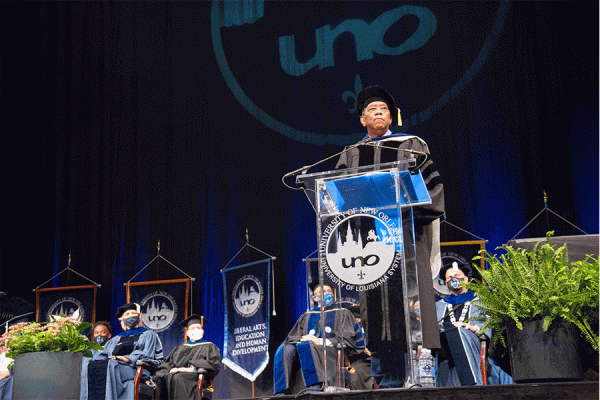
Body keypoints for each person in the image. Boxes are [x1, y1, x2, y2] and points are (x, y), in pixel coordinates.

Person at [336, 85, 444, 387]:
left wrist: (407, 213)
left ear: (392, 116)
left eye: (384, 108)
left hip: (407, 239)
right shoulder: (350, 155)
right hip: (369, 247)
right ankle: (385, 378)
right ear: (362, 120)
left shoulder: (412, 146)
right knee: (376, 310)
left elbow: (432, 190)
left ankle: (421, 376)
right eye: (372, 109)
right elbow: (337, 203)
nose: (379, 112)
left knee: (413, 305)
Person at [273, 282, 366, 395]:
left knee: (307, 345)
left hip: (331, 350)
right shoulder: (306, 316)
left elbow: (350, 338)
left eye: (329, 291)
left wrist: (320, 341)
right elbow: (292, 337)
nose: (327, 294)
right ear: (315, 297)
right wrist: (305, 338)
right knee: (284, 349)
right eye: (323, 292)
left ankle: (314, 387)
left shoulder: (343, 313)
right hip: (307, 348)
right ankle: (281, 391)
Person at [435, 262, 513, 386]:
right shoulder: (438, 306)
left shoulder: (481, 301)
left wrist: (474, 328)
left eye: (456, 275)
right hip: (447, 361)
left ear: (465, 278)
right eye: (449, 278)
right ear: (445, 283)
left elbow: (492, 327)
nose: (453, 279)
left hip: (474, 357)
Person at [86, 303, 164, 400]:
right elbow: (103, 353)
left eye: (133, 313)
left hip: (134, 368)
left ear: (139, 317)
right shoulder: (116, 339)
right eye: (127, 314)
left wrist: (128, 358)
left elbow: (147, 354)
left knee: (110, 365)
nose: (130, 316)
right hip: (115, 365)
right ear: (122, 320)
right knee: (89, 364)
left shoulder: (148, 334)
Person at [154, 314, 221, 400]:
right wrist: (166, 371)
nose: (196, 330)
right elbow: (167, 364)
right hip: (176, 376)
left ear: (203, 331)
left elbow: (213, 365)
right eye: (193, 328)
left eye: (199, 328)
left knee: (178, 377)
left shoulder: (209, 347)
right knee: (160, 378)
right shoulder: (179, 348)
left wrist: (188, 369)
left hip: (195, 376)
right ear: (187, 332)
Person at [81, 321, 113, 400]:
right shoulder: (88, 351)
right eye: (96, 333)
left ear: (109, 335)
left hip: (103, 384)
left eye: (102, 332)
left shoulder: (112, 347)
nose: (99, 335)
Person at [346, 305, 374, 390]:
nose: (357, 320)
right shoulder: (348, 329)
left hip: (375, 360)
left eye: (359, 318)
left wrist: (373, 352)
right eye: (355, 318)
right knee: (354, 371)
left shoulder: (372, 326)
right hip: (357, 363)